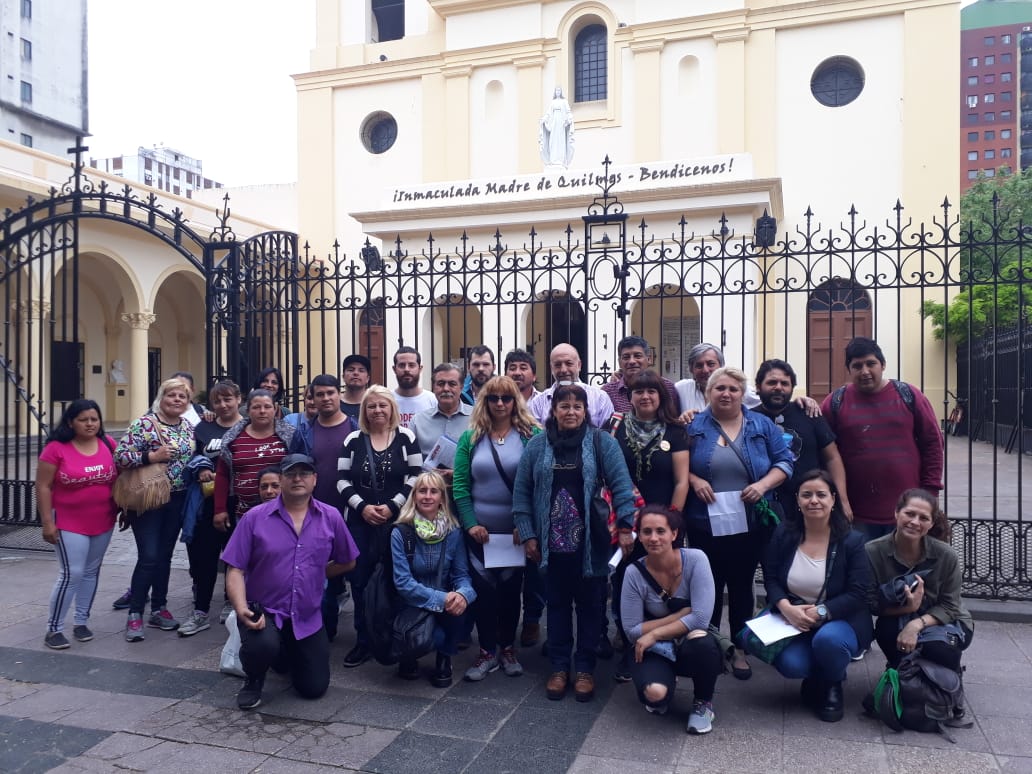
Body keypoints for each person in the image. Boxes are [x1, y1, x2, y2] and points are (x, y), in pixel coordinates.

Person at [513, 383, 638, 702]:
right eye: (564, 406)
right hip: (549, 544)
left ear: (586, 411)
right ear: (553, 410)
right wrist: (527, 532)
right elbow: (522, 492)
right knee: (554, 606)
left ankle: (583, 668)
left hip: (591, 544)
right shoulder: (538, 445)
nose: (570, 412)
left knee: (591, 607)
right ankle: (558, 667)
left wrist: (625, 528)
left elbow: (623, 487)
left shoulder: (601, 443)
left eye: (577, 407)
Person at [222, 454, 359, 710]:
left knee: (313, 689)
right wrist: (241, 608)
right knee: (262, 645)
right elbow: (235, 569)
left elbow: (348, 560)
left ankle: (286, 654)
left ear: (315, 480)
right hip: (265, 611)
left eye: (304, 473)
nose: (298, 479)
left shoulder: (330, 517)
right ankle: (254, 678)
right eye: (290, 474)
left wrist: (318, 573)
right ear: (281, 480)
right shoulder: (255, 518)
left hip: (307, 616)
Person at [685, 366, 793, 680]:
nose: (726, 394)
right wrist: (693, 479)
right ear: (709, 392)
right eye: (720, 388)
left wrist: (763, 486)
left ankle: (740, 648)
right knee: (709, 585)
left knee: (743, 584)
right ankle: (713, 646)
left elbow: (785, 461)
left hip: (751, 520)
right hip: (705, 521)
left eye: (733, 388)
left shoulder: (761, 425)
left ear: (742, 392)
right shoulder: (693, 426)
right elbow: (676, 463)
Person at [759, 469, 872, 722]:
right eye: (806, 495)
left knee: (829, 641)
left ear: (833, 499)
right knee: (791, 664)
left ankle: (833, 684)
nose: (814, 500)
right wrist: (785, 607)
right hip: (793, 618)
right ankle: (817, 677)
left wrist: (822, 612)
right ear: (797, 501)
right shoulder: (785, 534)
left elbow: (858, 594)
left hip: (841, 620)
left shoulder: (852, 541)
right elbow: (771, 577)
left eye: (821, 494)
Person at [453, 375, 542, 681]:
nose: (500, 404)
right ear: (485, 401)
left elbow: (537, 486)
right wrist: (470, 524)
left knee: (510, 593)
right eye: (494, 399)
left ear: (515, 400)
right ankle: (486, 651)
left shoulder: (531, 435)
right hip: (481, 532)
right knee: (483, 594)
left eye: (506, 398)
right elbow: (461, 486)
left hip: (516, 534)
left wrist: (526, 525)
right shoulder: (471, 437)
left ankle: (507, 648)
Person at [608, 369, 690, 680]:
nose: (645, 396)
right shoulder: (615, 429)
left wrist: (671, 523)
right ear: (629, 397)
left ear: (661, 396)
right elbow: (609, 477)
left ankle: (662, 643)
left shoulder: (675, 431)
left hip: (663, 525)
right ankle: (629, 644)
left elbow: (682, 481)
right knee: (626, 583)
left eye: (651, 391)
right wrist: (625, 523)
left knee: (664, 583)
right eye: (638, 391)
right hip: (627, 522)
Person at [821, 337, 943, 542]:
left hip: (907, 512)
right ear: (849, 370)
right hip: (855, 514)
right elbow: (824, 451)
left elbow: (932, 444)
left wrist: (929, 493)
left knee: (904, 570)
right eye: (857, 366)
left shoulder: (909, 395)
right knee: (862, 571)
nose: (865, 371)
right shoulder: (835, 402)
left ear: (883, 364)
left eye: (871, 363)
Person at [337, 385, 423, 666]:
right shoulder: (353, 439)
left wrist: (392, 506)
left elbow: (414, 476)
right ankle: (364, 641)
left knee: (397, 580)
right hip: (360, 524)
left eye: (382, 405)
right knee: (360, 583)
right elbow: (341, 480)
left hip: (396, 523)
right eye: (372, 406)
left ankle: (395, 638)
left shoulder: (406, 437)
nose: (377, 411)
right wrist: (362, 507)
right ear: (364, 410)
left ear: (392, 408)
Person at [620, 506, 724, 734]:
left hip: (687, 640)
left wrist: (654, 632)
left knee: (702, 640)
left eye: (660, 531)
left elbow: (700, 619)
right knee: (656, 696)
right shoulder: (633, 573)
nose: (654, 538)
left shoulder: (696, 559)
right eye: (646, 532)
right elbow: (631, 631)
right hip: (655, 648)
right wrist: (679, 615)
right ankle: (664, 682)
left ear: (674, 534)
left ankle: (703, 704)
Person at [115, 376, 196, 642]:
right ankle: (135, 612)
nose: (176, 400)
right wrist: (151, 457)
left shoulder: (187, 426)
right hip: (149, 500)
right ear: (161, 397)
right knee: (148, 556)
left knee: (164, 556)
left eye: (182, 396)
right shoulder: (145, 424)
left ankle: (159, 608)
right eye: (172, 395)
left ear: (187, 402)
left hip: (177, 499)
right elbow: (121, 456)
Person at [37, 400, 118, 649]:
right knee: (72, 573)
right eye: (84, 419)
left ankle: (81, 622)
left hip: (103, 519)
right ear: (71, 421)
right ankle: (54, 629)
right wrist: (47, 523)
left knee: (91, 572)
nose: (90, 424)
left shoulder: (108, 444)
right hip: (68, 521)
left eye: (94, 419)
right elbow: (43, 485)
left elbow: (119, 478)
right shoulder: (56, 448)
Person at [866, 489, 973, 671]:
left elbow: (950, 606)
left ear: (931, 524)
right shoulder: (873, 551)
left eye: (923, 518)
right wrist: (909, 608)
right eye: (909, 514)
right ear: (896, 513)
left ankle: (936, 674)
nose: (915, 522)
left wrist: (915, 625)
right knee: (886, 630)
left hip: (945, 620)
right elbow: (870, 602)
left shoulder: (946, 555)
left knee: (939, 650)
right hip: (897, 616)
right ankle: (901, 670)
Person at [289, 375, 359, 641]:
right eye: (320, 394)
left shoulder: (354, 428)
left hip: (350, 511)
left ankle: (361, 635)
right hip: (315, 513)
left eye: (330, 393)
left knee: (351, 568)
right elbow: (294, 468)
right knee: (320, 573)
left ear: (338, 394)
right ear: (313, 398)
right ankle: (322, 634)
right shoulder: (304, 432)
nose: (326, 398)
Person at [391, 470, 477, 687]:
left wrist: (463, 595)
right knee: (425, 637)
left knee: (460, 607)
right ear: (414, 496)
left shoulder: (454, 530)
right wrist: (442, 598)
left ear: (441, 498)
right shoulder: (401, 532)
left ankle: (444, 657)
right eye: (422, 491)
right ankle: (408, 653)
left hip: (446, 602)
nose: (427, 496)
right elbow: (403, 583)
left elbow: (461, 574)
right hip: (410, 603)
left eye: (433, 491)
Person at [181, 380, 245, 636]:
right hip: (207, 503)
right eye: (217, 400)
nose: (223, 404)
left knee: (235, 555)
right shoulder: (203, 426)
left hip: (238, 501)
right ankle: (200, 611)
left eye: (228, 399)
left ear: (239, 399)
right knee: (204, 557)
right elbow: (192, 455)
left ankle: (232, 602)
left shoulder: (248, 426)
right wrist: (202, 467)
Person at [754, 359, 851, 516]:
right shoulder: (747, 418)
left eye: (785, 383)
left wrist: (842, 500)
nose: (778, 387)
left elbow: (832, 458)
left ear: (792, 388)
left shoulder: (809, 414)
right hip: (763, 508)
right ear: (758, 386)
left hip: (810, 507)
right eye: (772, 382)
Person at [504, 348, 544, 644]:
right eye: (511, 367)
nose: (517, 372)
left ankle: (531, 619)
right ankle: (503, 623)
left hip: (531, 500)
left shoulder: (542, 407)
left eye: (522, 367)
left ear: (534, 374)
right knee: (504, 569)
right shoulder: (494, 404)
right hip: (497, 504)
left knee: (533, 567)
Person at [213, 389, 294, 529]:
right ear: (248, 410)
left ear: (275, 409)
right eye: (256, 407)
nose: (262, 411)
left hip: (284, 512)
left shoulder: (290, 435)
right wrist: (219, 509)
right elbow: (222, 474)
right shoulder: (232, 438)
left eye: (267, 406)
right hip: (245, 514)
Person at [410, 363, 473, 482]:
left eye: (452, 384)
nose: (446, 388)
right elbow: (409, 463)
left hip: (467, 489)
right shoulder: (418, 422)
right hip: (428, 493)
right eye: (441, 384)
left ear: (461, 387)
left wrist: (459, 473)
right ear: (433, 387)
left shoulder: (478, 418)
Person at [528, 343, 615, 428]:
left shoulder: (600, 398)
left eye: (569, 364)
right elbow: (535, 436)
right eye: (557, 365)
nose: (563, 370)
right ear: (551, 368)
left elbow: (607, 434)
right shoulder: (538, 403)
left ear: (579, 365)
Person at [601, 336, 680, 414]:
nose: (632, 361)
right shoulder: (608, 392)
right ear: (619, 362)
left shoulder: (667, 387)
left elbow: (674, 418)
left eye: (637, 356)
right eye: (626, 357)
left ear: (649, 359)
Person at [392, 346, 437, 428]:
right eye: (402, 365)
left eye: (411, 365)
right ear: (394, 369)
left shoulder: (433, 400)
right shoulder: (387, 399)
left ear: (420, 369)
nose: (406, 369)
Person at [539, 86, 574, 168]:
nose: (558, 92)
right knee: (553, 140)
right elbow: (548, 113)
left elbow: (568, 112)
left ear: (561, 92)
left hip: (561, 123)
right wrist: (544, 119)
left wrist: (568, 119)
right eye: (556, 90)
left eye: (559, 90)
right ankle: (553, 159)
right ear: (555, 92)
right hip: (554, 122)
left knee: (561, 140)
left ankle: (561, 159)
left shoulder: (564, 102)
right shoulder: (553, 102)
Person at [341, 354, 372, 420]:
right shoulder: (335, 403)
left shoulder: (374, 402)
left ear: (368, 378)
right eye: (351, 370)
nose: (356, 373)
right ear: (343, 376)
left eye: (361, 370)